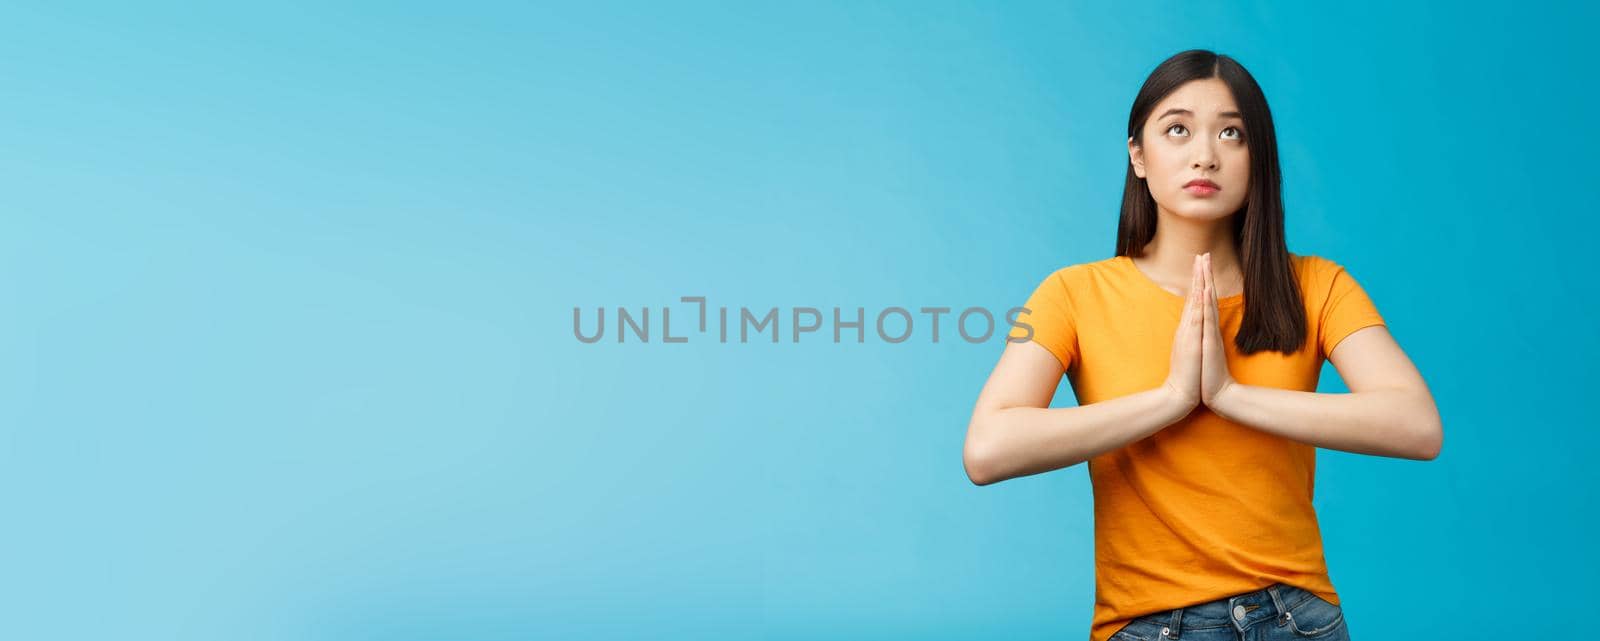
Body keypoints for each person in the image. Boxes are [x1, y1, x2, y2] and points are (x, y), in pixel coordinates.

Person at [962, 49, 1443, 641]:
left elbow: (1417, 426)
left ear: (1256, 157)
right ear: (1138, 155)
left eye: (1232, 133)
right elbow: (987, 449)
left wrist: (1228, 394)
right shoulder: (1073, 294)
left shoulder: (1319, 285)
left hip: (1298, 618)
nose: (1205, 155)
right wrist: (1169, 399)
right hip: (1150, 625)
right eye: (1178, 129)